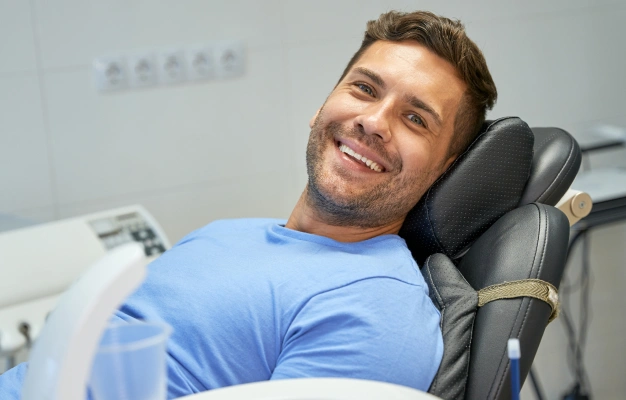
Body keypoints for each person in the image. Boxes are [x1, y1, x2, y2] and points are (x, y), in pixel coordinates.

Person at [0, 10, 497, 399]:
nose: (373, 122)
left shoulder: (374, 310)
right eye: (364, 89)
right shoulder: (226, 234)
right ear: (322, 106)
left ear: (444, 168)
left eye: (415, 119)